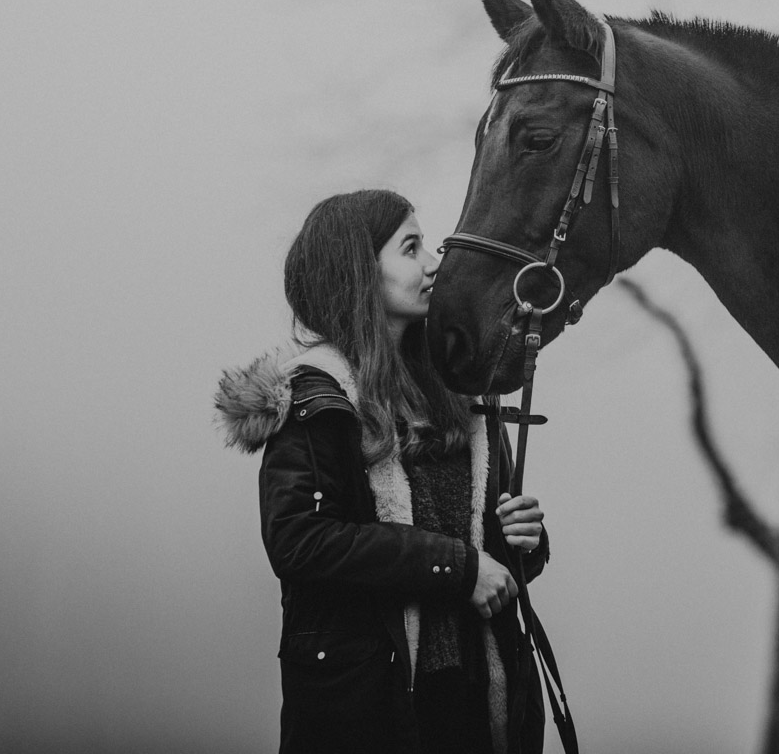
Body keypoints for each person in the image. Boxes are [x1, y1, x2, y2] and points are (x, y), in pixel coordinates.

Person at [214, 189, 550, 754]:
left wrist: (522, 540)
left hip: (472, 701)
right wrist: (458, 567)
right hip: (371, 708)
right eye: (411, 248)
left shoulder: (463, 396)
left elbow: (487, 557)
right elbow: (300, 541)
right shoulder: (315, 399)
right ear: (358, 273)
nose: (435, 264)